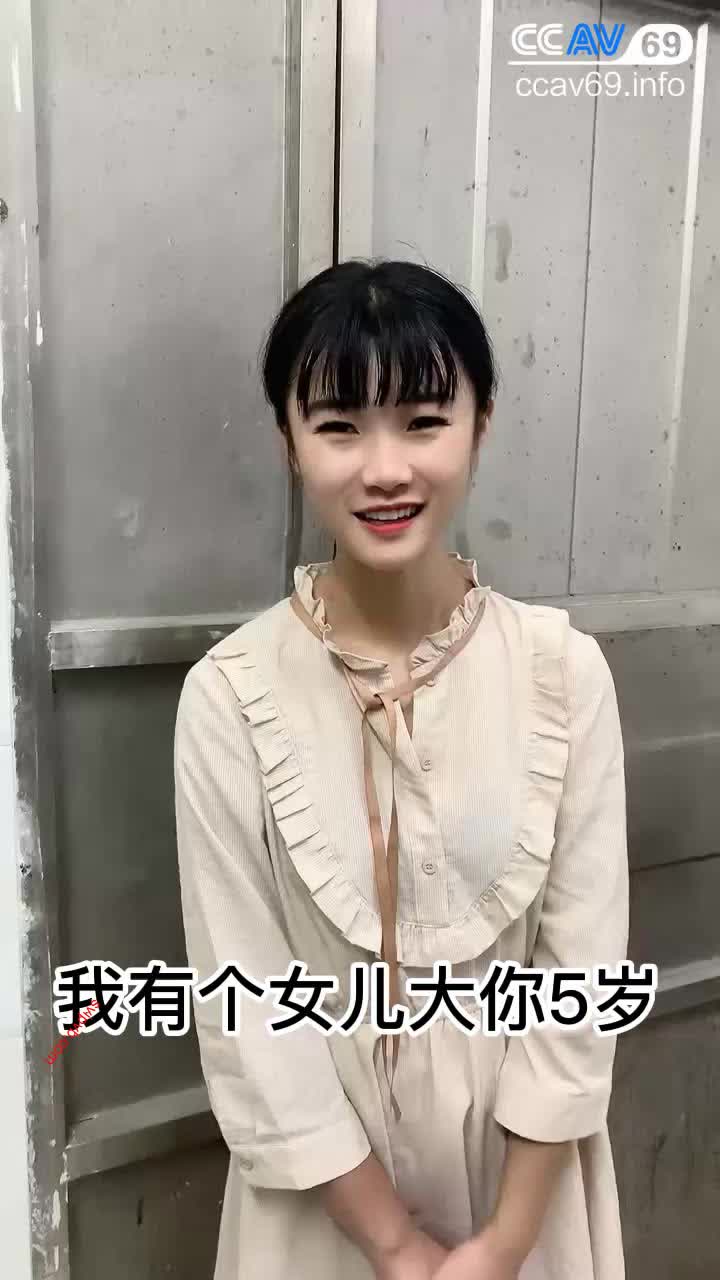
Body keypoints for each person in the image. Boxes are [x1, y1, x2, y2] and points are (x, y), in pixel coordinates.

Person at [174, 259, 629, 1279]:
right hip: (323, 1204)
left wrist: (504, 1243)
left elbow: (581, 979)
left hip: (526, 1190)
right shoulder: (230, 694)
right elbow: (246, 1004)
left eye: (424, 421)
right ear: (289, 441)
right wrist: (392, 1242)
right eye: (339, 426)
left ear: (481, 424)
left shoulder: (564, 673)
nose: (385, 469)